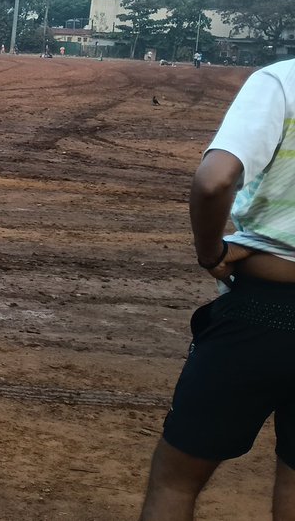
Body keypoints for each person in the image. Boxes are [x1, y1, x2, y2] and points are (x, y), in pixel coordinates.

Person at [139, 56, 295, 520]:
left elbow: (213, 182)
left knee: (175, 479)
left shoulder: (281, 82)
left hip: (263, 317)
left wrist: (211, 253)